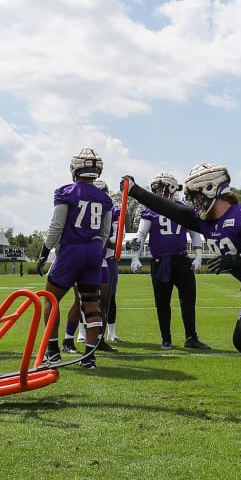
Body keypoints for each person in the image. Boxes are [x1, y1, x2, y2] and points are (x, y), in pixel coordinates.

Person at [126, 163, 241, 418]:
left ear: (211, 189)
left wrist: (239, 260)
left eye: (195, 196)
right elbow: (169, 209)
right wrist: (135, 191)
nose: (193, 202)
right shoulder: (205, 221)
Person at [37, 148, 114, 369]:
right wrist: (94, 250)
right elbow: (105, 232)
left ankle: (52, 352)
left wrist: (44, 252)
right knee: (91, 304)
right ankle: (89, 357)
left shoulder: (66, 192)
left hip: (72, 249)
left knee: (51, 299)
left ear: (75, 169)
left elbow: (57, 226)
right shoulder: (105, 199)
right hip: (93, 251)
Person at [131, 172, 210, 351]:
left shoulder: (183, 209)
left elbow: (195, 233)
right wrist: (135, 256)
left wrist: (198, 257)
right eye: (156, 190)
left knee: (188, 301)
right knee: (162, 303)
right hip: (160, 261)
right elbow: (141, 234)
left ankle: (191, 337)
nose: (157, 193)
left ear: (171, 188)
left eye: (161, 189)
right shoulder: (150, 210)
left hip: (182, 260)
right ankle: (166, 339)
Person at [63, 179, 118, 353]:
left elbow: (109, 237)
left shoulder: (109, 209)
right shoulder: (78, 206)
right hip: (81, 256)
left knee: (102, 301)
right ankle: (68, 339)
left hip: (98, 258)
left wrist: (117, 243)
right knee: (81, 300)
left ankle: (98, 339)